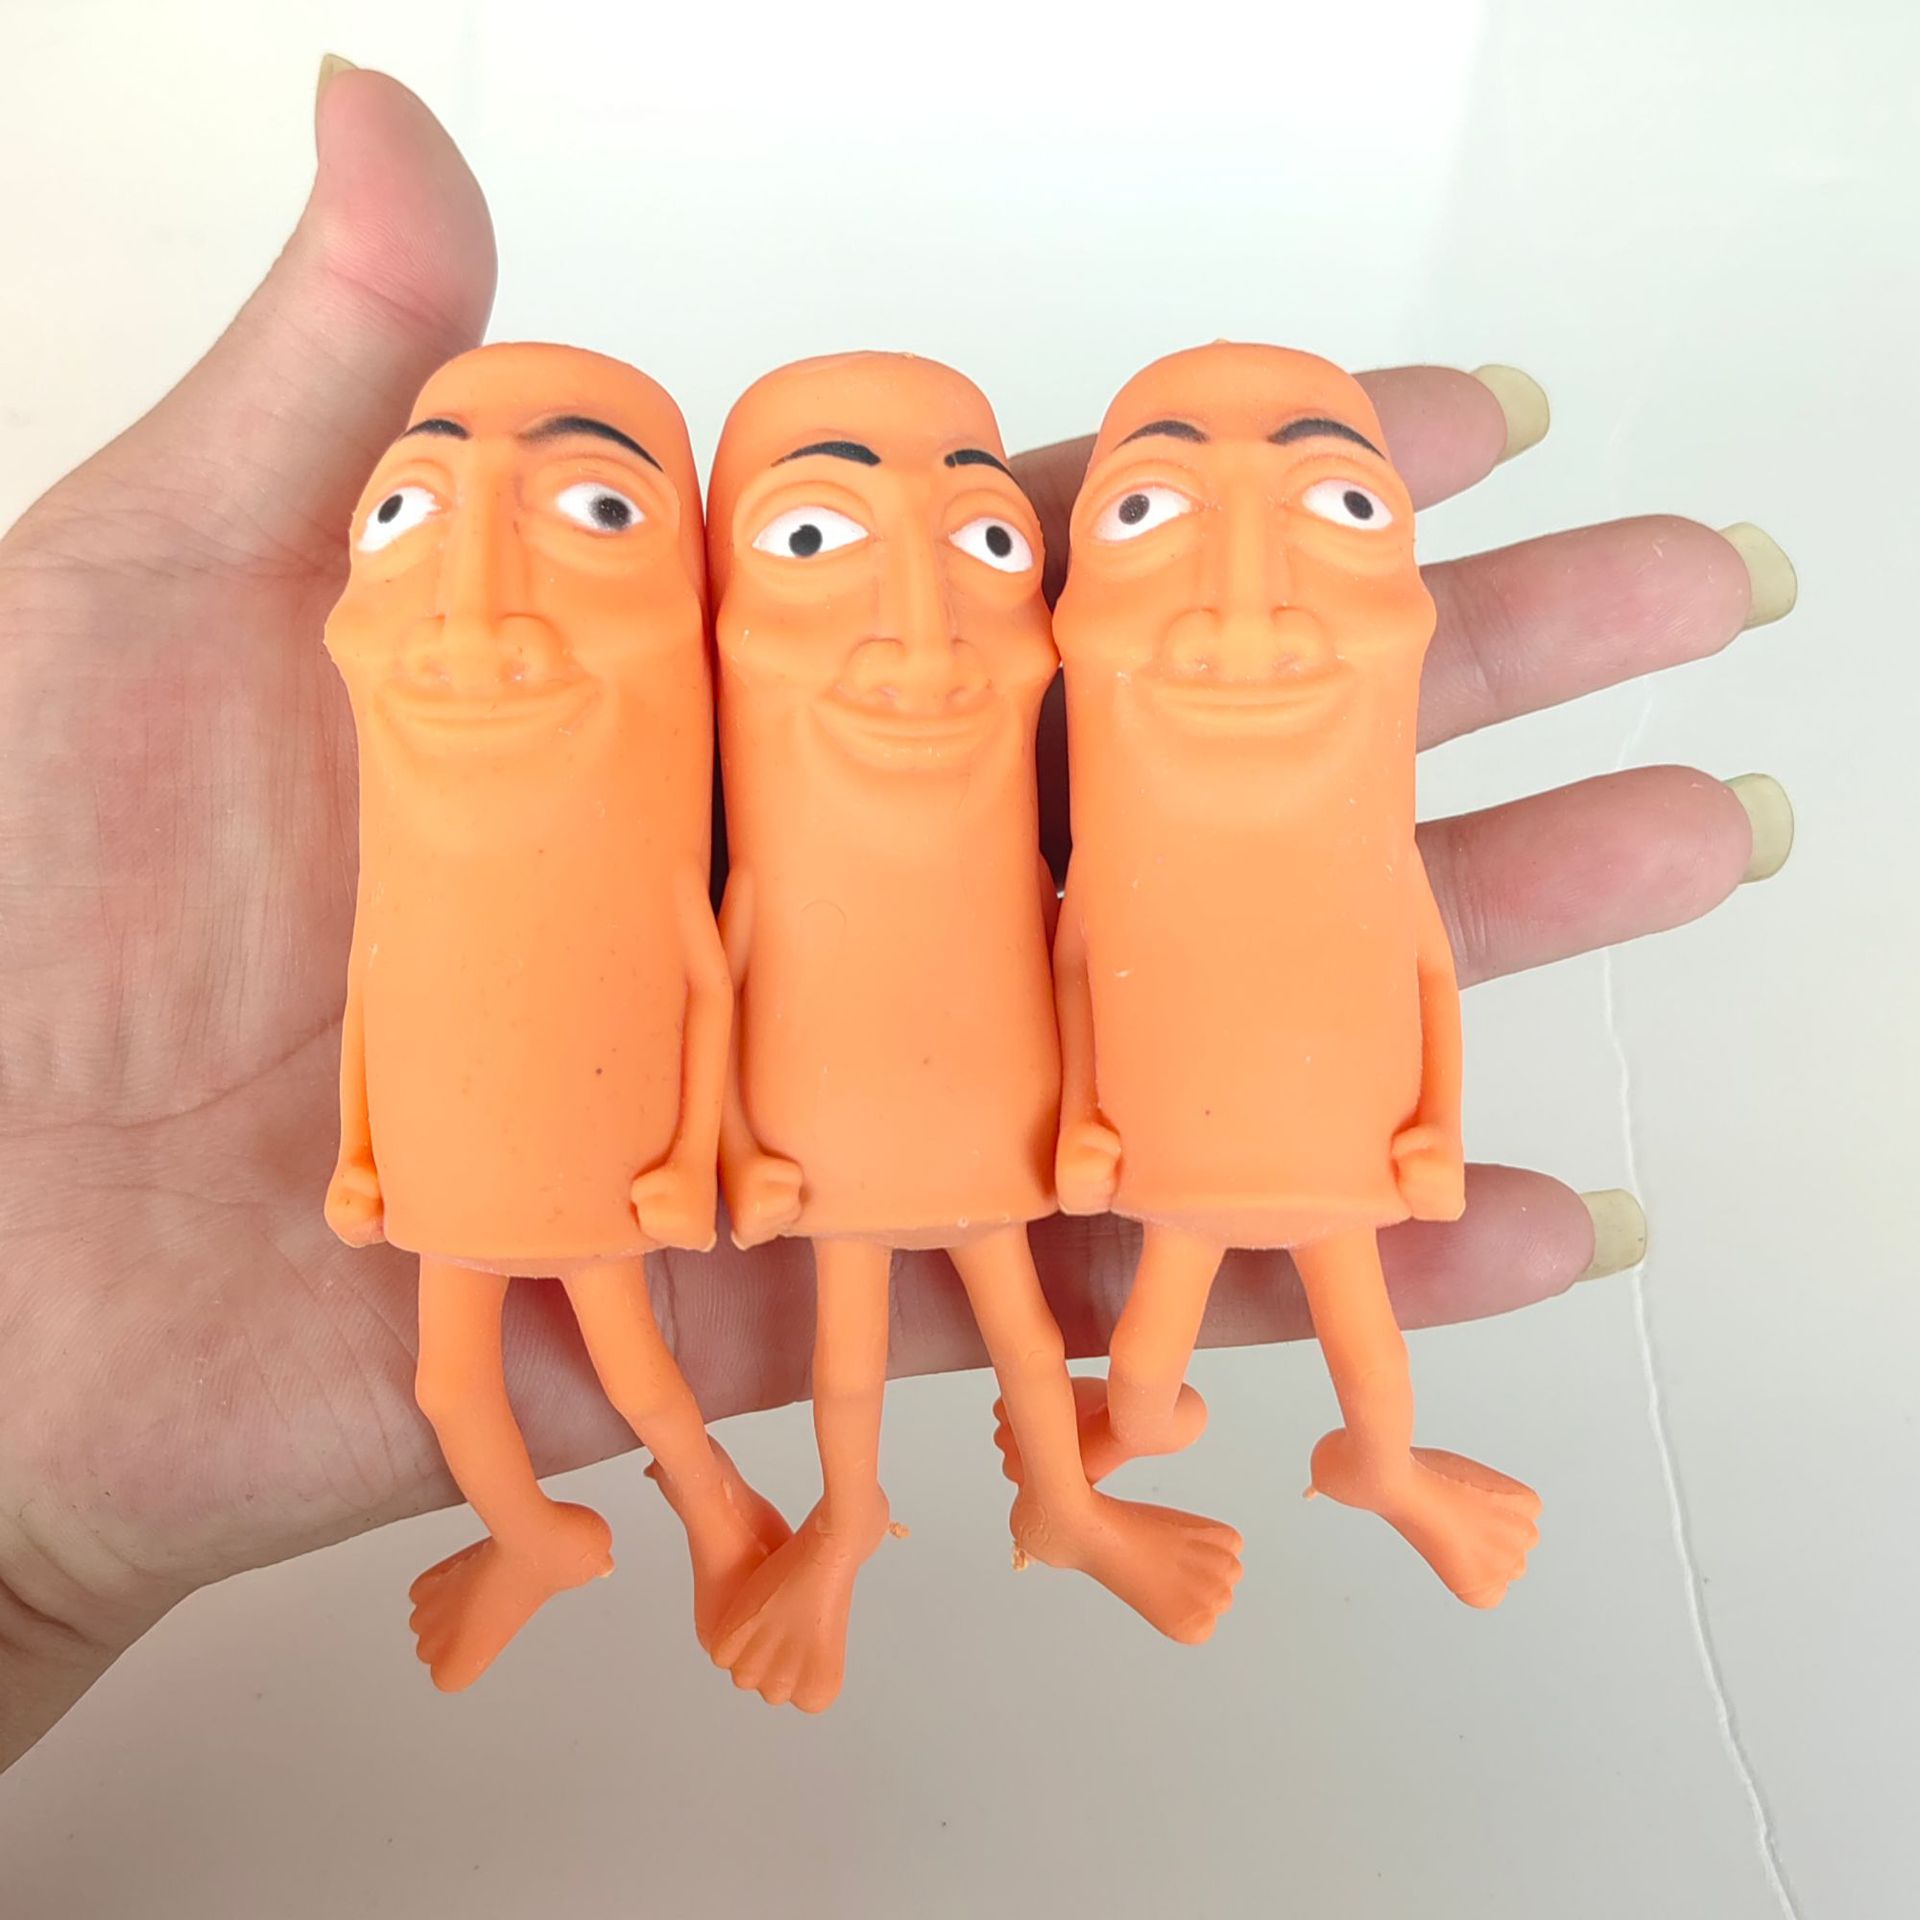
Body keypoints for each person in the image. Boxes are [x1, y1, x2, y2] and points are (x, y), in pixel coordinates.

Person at [0, 62, 1793, 1771]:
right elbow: (695, 951)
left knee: (1037, 1332)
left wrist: (1146, 1118)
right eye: (807, 543)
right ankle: (775, 1524)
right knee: (613, 1371)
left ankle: (1105, 1489)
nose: (918, 637)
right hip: (744, 1162)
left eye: (989, 547)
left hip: (996, 1139)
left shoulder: (1106, 832)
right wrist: (664, 1151)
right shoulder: (555, 816)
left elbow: (1082, 936)